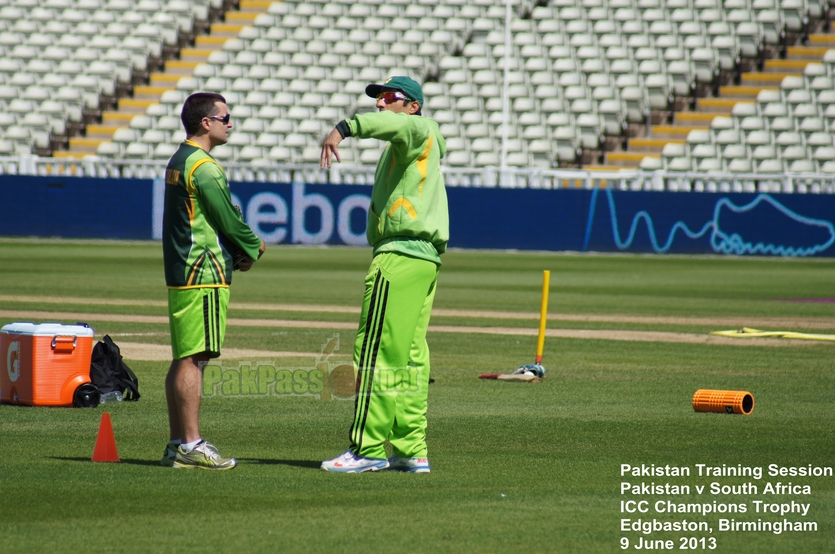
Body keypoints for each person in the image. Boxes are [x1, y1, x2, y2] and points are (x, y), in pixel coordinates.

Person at [319, 76, 448, 473]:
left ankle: (368, 449)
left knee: (375, 354)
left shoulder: (417, 127)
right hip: (424, 259)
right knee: (410, 358)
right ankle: (411, 449)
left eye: (389, 98)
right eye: (377, 99)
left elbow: (390, 126)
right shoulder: (416, 141)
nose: (380, 104)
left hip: (399, 257)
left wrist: (344, 128)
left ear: (412, 106)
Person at [161, 92, 266, 470]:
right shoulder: (204, 166)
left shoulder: (179, 160)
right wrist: (253, 246)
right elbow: (225, 217)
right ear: (206, 123)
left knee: (184, 357)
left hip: (183, 270)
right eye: (225, 117)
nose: (230, 123)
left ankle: (178, 443)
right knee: (196, 358)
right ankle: (191, 443)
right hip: (202, 270)